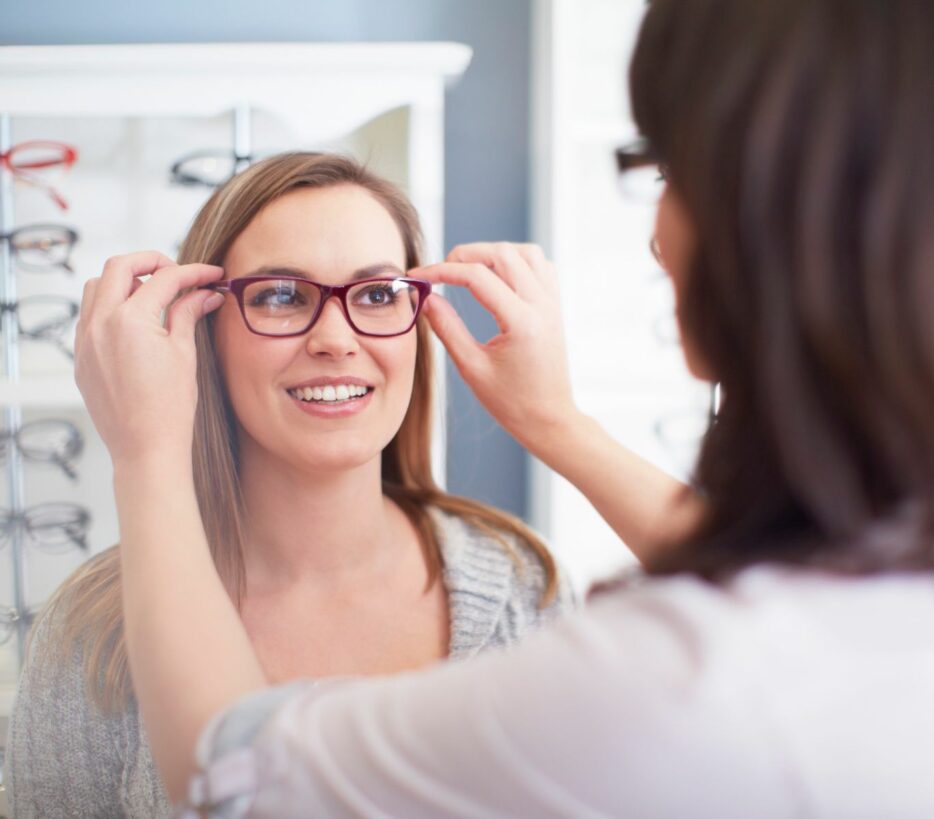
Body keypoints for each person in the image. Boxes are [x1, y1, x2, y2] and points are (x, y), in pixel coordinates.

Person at [74, 0, 934, 815]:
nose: (655, 236)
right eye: (281, 295)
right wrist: (556, 420)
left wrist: (144, 457)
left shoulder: (594, 635)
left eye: (669, 171)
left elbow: (227, 770)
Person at [5, 154, 580, 818]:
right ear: (203, 333)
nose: (336, 339)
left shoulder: (525, 588)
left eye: (376, 294)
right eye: (281, 294)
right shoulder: (93, 633)